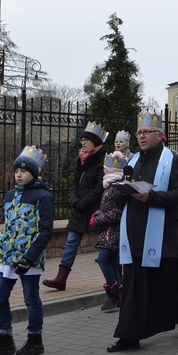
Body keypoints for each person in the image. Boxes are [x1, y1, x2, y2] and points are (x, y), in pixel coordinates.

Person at [106, 110, 178, 352]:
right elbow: (121, 194)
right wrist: (118, 191)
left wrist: (152, 196)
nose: (142, 137)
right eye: (140, 133)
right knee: (133, 283)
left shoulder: (173, 160)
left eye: (147, 132)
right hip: (134, 232)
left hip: (161, 234)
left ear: (160, 135)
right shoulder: (133, 161)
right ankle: (129, 336)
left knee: (172, 278)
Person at [0, 146, 54, 355]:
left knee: (31, 299)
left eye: (24, 171)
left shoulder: (43, 197)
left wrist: (29, 258)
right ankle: (5, 340)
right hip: (8, 257)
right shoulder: (10, 195)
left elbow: (45, 231)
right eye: (16, 171)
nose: (19, 175)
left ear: (34, 173)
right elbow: (8, 227)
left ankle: (35, 340)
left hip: (28, 259)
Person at [43, 121, 108, 291]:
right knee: (71, 242)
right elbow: (74, 183)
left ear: (96, 142)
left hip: (96, 210)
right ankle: (61, 278)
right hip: (79, 209)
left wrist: (83, 202)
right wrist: (74, 200)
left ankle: (117, 279)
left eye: (86, 140)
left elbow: (101, 187)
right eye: (82, 140)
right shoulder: (81, 159)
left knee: (106, 246)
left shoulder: (104, 160)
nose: (83, 143)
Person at [90, 150, 129, 312]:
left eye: (106, 168)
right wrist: (97, 214)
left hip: (114, 232)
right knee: (111, 261)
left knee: (103, 259)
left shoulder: (116, 188)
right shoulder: (109, 185)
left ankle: (113, 292)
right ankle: (120, 292)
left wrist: (99, 219)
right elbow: (106, 208)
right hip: (108, 231)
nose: (104, 170)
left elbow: (117, 212)